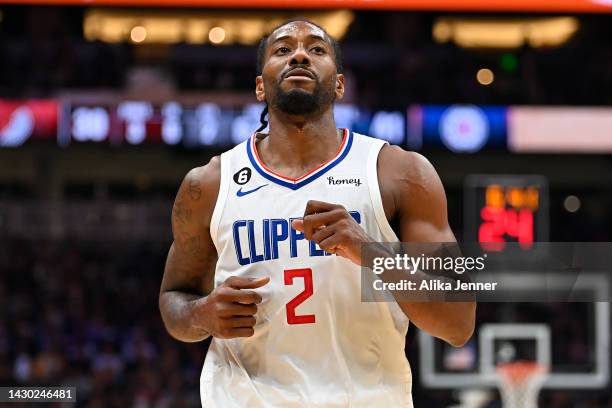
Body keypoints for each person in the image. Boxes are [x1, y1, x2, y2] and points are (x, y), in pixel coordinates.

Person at [159, 19, 475, 407]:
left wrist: (370, 253)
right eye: (282, 49)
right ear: (260, 85)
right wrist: (201, 315)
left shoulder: (401, 173)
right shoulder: (208, 183)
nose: (299, 55)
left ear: (339, 84)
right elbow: (174, 299)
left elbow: (458, 321)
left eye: (316, 49)